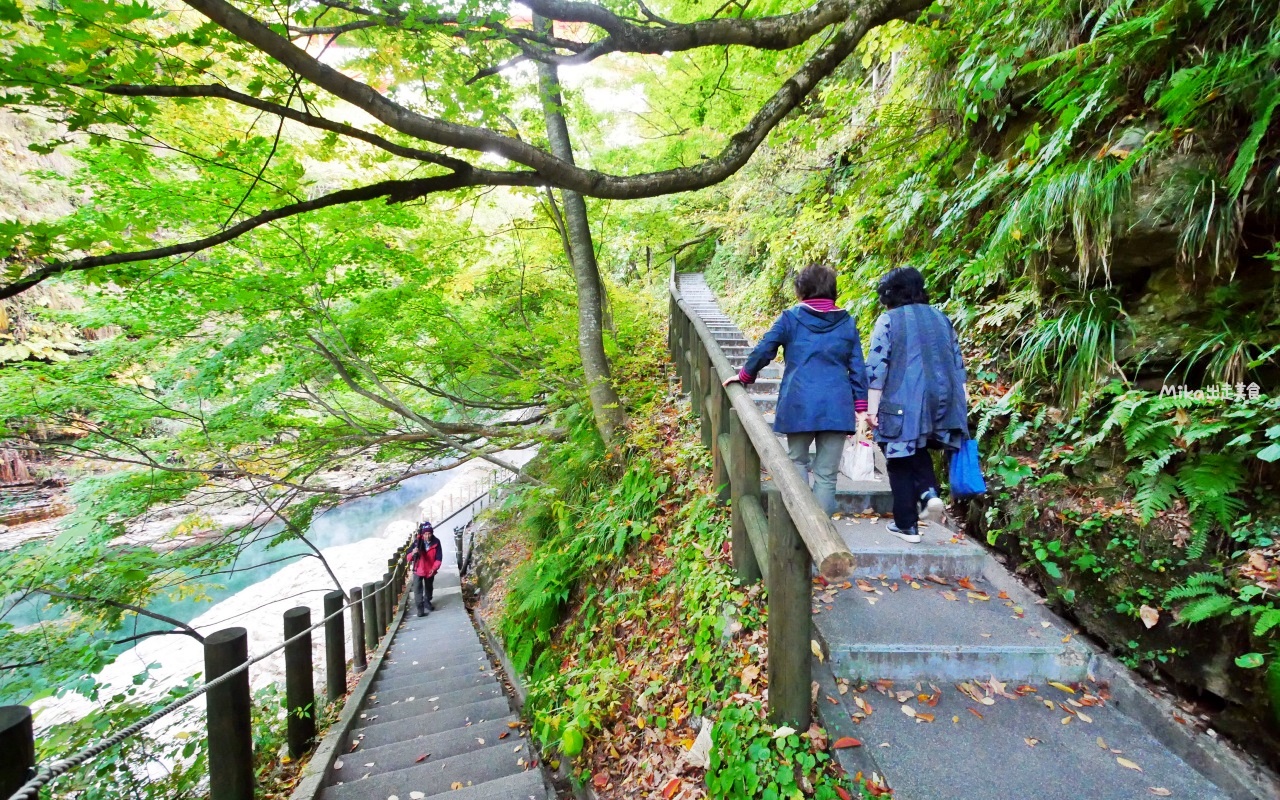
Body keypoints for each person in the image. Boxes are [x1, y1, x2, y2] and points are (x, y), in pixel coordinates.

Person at [725, 263, 868, 516]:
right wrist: (861, 408)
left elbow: (764, 349)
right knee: (826, 476)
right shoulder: (847, 323)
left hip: (799, 401)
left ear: (802, 290)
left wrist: (745, 376)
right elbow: (857, 367)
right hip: (836, 406)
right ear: (832, 291)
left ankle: (800, 531)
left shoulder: (791, 318)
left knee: (797, 462)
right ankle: (822, 540)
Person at [864, 267, 969, 543]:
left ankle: (907, 525)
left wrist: (871, 408)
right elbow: (957, 363)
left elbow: (877, 368)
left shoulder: (888, 321)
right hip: (945, 400)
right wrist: (962, 402)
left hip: (902, 401)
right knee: (918, 446)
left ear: (889, 294)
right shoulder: (941, 318)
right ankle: (929, 492)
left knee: (898, 457)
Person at [407, 521, 443, 616]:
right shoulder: (417, 543)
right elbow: (408, 557)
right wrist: (413, 553)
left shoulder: (436, 542)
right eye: (425, 534)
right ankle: (420, 609)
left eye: (429, 533)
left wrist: (434, 568)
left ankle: (427, 601)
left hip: (430, 570)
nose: (427, 536)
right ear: (423, 534)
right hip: (418, 569)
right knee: (417, 589)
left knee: (429, 587)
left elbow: (439, 558)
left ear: (432, 533)